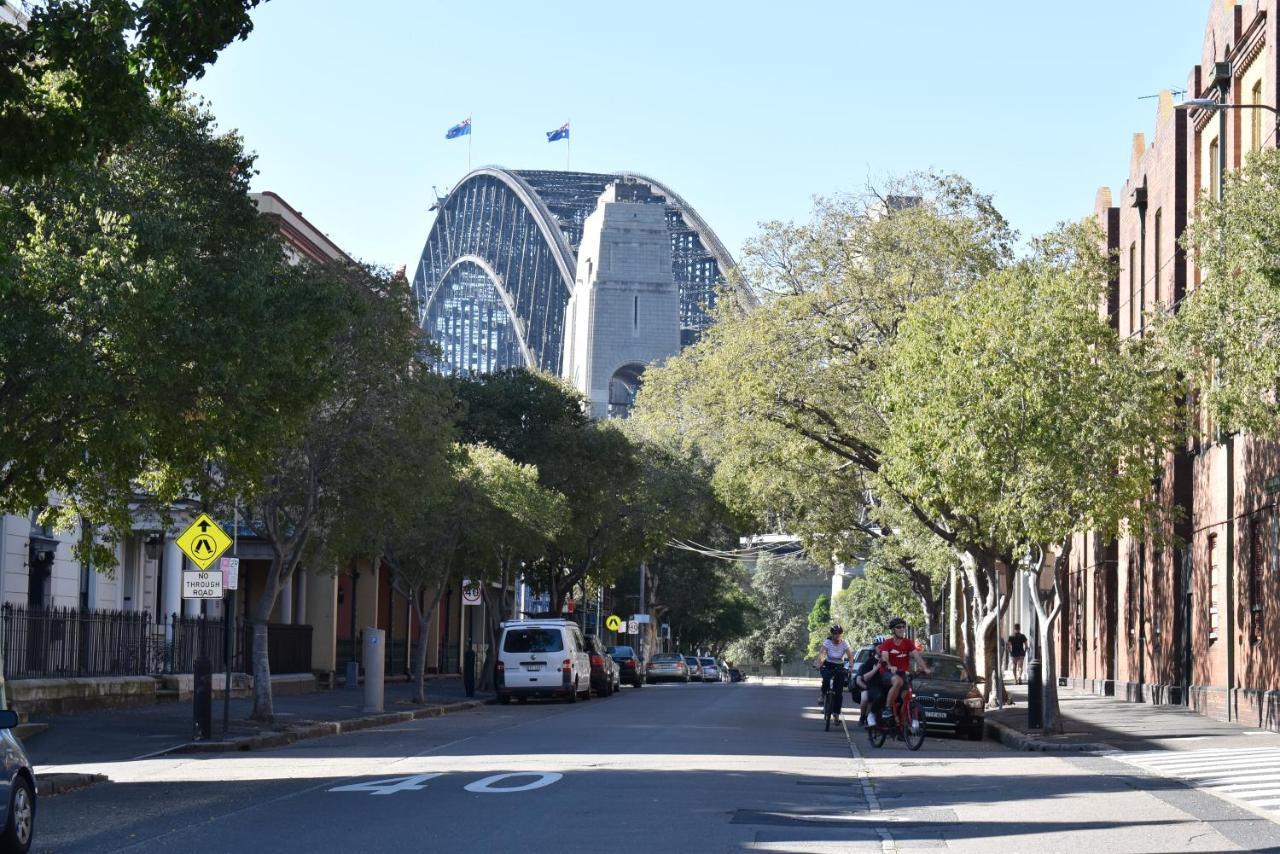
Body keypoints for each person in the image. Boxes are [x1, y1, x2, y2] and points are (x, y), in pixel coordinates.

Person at [869, 617, 930, 727]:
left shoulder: (908, 643)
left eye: (903, 627)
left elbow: (917, 657)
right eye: (898, 627)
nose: (902, 629)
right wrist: (890, 666)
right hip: (887, 673)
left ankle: (901, 725)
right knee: (898, 681)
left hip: (902, 673)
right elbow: (885, 657)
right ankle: (887, 709)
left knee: (906, 697)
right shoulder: (887, 643)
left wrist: (925, 668)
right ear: (893, 630)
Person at [817, 625, 852, 721]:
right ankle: (823, 694)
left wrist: (850, 667)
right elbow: (822, 654)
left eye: (839, 633)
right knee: (826, 679)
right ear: (832, 634)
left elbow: (850, 656)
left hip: (839, 666)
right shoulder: (827, 642)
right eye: (835, 633)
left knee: (839, 692)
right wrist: (819, 664)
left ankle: (836, 713)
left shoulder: (844, 643)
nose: (837, 635)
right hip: (828, 664)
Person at [853, 635, 885, 725]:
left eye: (883, 646)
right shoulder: (869, 662)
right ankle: (863, 717)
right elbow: (862, 678)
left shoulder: (887, 660)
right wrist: (876, 669)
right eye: (879, 646)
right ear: (875, 648)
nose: (882, 648)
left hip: (883, 687)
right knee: (865, 698)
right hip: (869, 686)